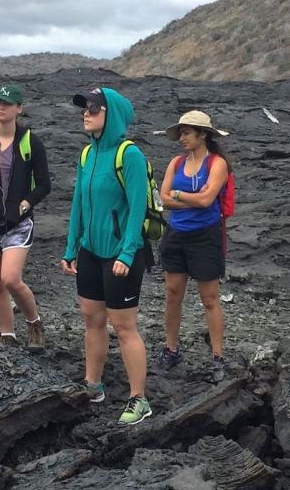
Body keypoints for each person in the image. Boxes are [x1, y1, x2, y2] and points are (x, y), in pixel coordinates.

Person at [61, 87, 151, 426]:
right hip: (90, 251)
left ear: (110, 114)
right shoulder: (87, 154)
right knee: (91, 319)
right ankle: (93, 386)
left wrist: (127, 253)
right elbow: (78, 205)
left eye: (94, 108)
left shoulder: (129, 155)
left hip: (121, 254)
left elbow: (137, 207)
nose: (86, 112)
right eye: (84, 107)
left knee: (124, 326)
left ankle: (139, 399)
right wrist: (72, 247)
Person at [157, 110, 231, 377]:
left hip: (205, 236)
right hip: (176, 234)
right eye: (180, 133)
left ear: (203, 135)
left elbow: (206, 201)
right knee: (172, 294)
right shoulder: (176, 163)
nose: (181, 138)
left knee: (210, 298)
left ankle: (218, 357)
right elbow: (162, 199)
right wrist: (186, 196)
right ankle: (171, 348)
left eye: (187, 132)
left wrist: (178, 194)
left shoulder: (217, 164)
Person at [0, 84, 51, 350]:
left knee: (11, 278)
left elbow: (45, 184)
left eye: (8, 103)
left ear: (19, 108)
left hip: (19, 222)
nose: (1, 107)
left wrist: (26, 203)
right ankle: (7, 336)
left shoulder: (29, 141)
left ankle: (34, 323)